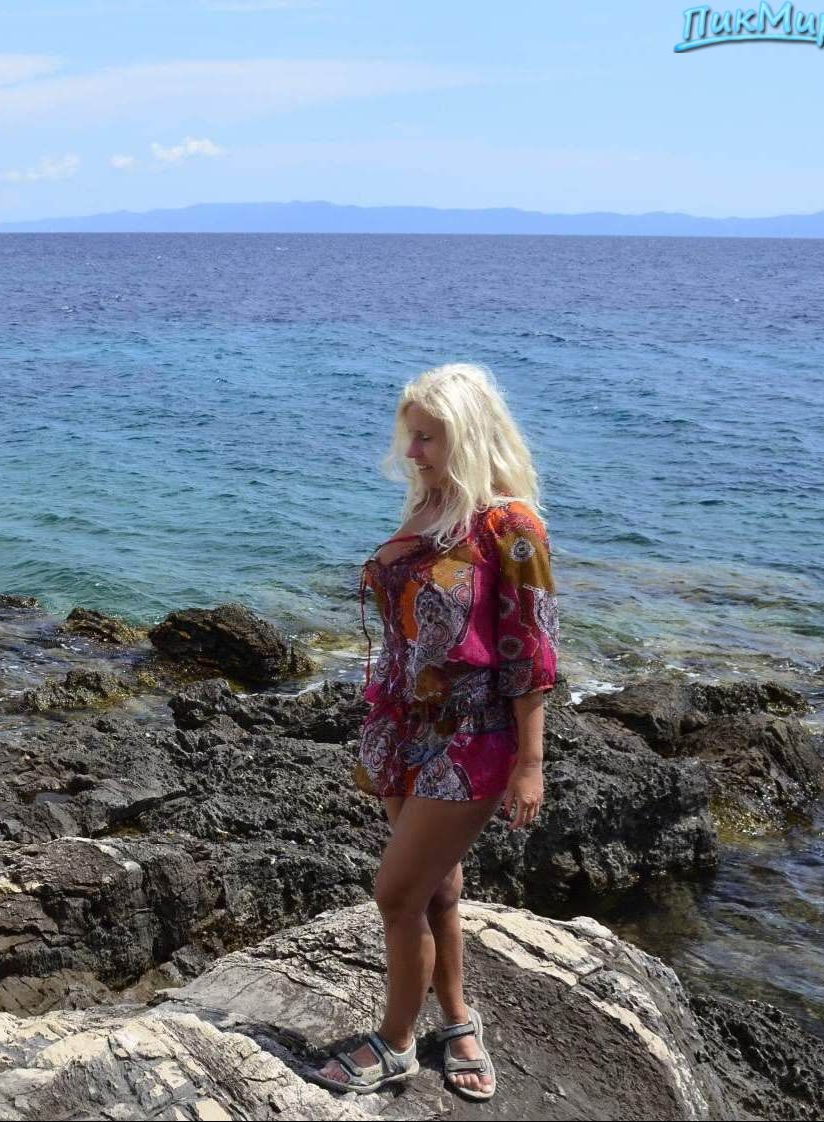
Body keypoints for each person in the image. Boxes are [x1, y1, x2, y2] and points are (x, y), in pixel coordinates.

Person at [309, 362, 560, 1102]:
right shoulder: (432, 505)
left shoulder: (511, 525)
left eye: (427, 437)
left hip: (471, 735)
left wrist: (530, 763)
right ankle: (456, 1020)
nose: (411, 452)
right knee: (436, 888)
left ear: (470, 435)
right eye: (411, 436)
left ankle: (394, 1044)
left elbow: (532, 650)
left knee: (395, 894)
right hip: (402, 725)